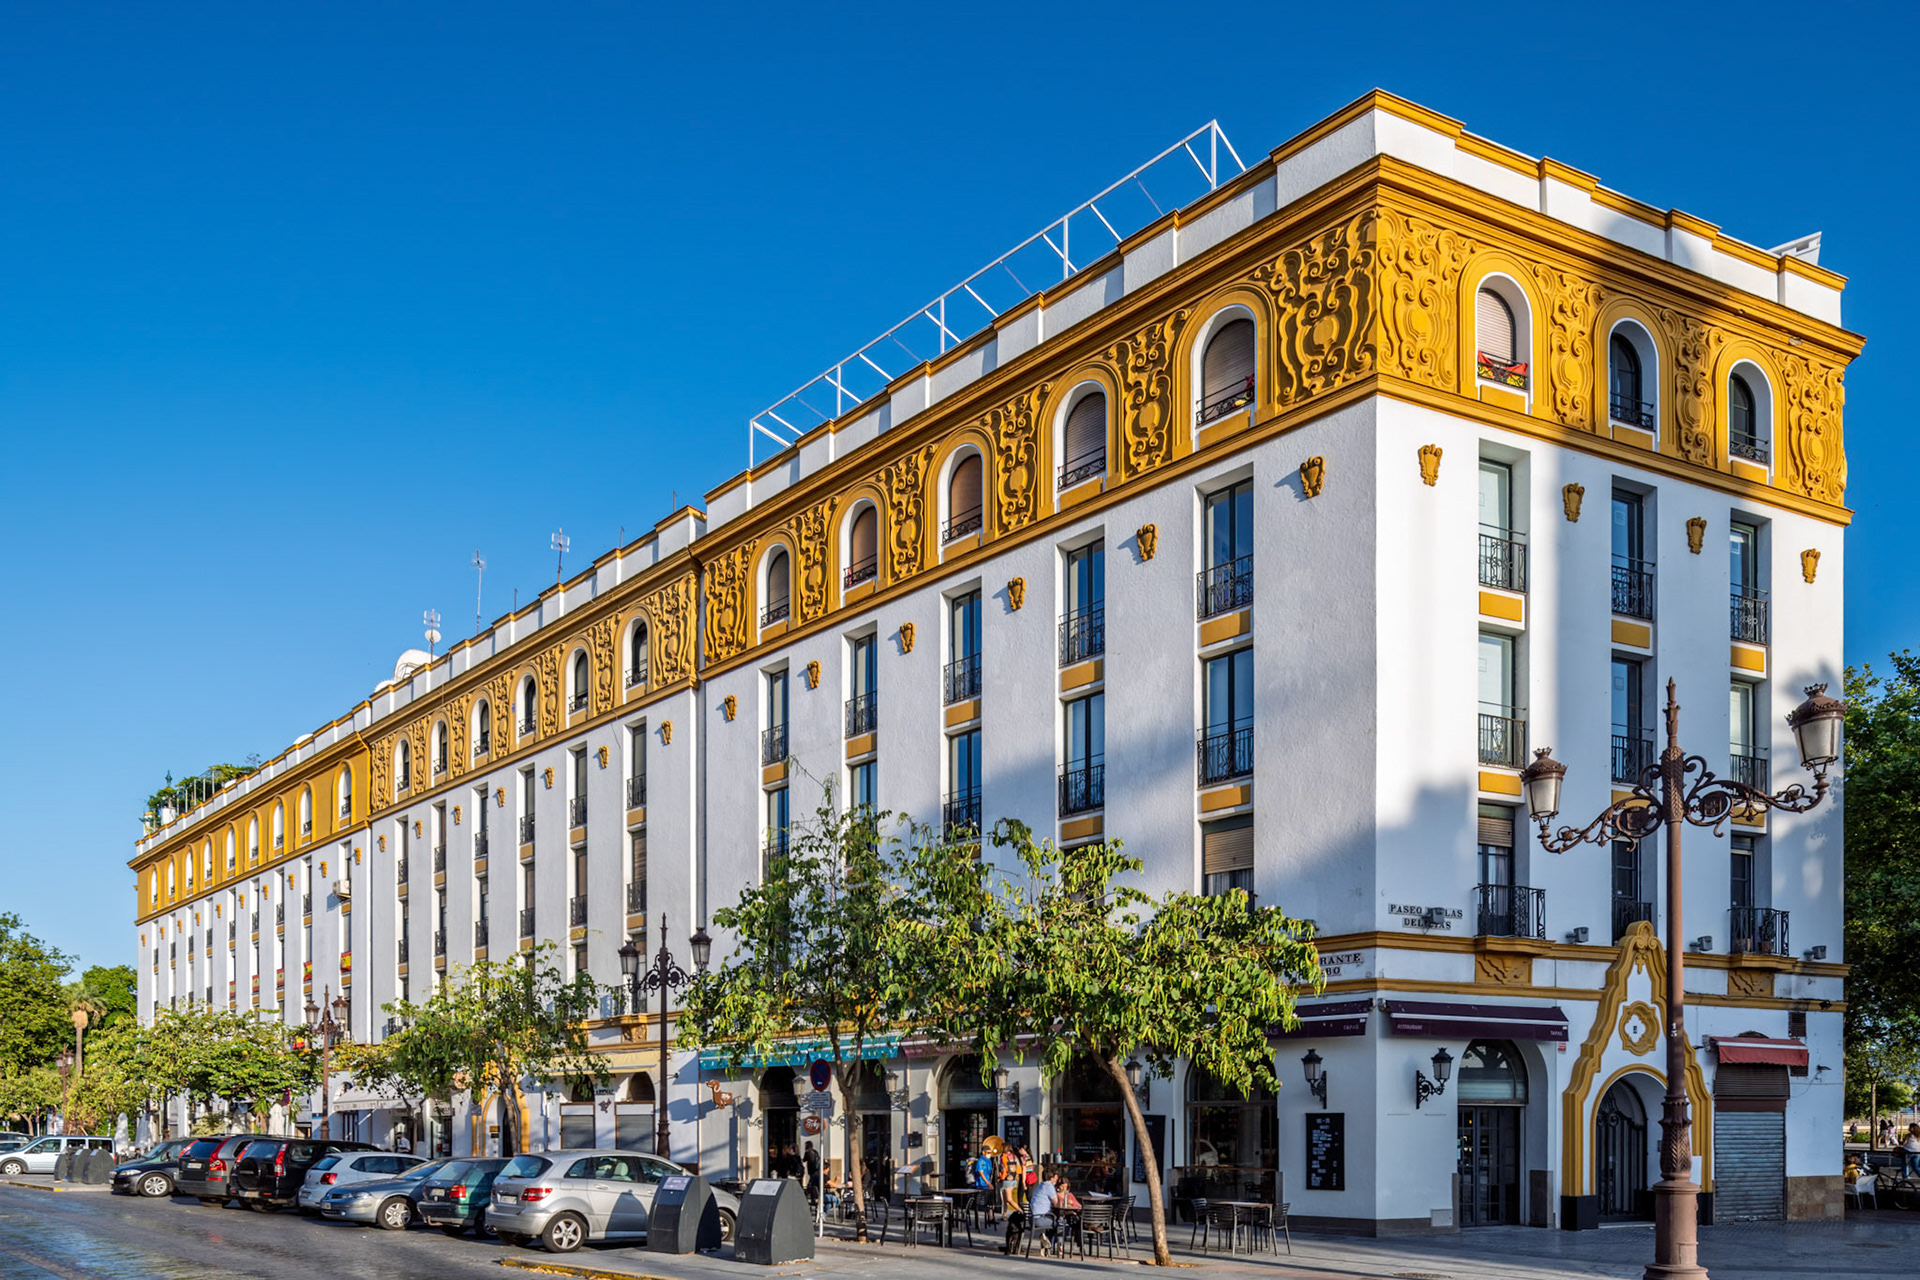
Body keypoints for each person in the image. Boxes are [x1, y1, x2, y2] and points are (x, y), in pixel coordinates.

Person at [1001, 1172, 1063, 1254]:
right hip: (1039, 1219)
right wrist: (1061, 1196)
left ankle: (1047, 1244)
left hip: (1031, 1218)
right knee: (1061, 1223)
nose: (1057, 1178)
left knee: (1054, 1221)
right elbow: (1057, 1204)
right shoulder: (1049, 1186)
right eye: (1056, 1176)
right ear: (1052, 1177)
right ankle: (1059, 1248)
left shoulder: (1040, 1185)